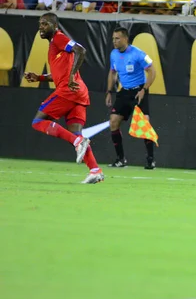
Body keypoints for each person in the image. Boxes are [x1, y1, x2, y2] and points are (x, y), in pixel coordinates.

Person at [24, 13, 103, 184]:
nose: (41, 27)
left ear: (54, 25)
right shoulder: (56, 46)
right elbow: (59, 74)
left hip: (68, 90)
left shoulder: (58, 38)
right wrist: (40, 78)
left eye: (45, 24)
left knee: (38, 122)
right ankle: (95, 170)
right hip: (79, 92)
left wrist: (72, 75)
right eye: (40, 24)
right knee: (76, 132)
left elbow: (81, 50)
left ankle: (77, 142)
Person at [106, 27, 157, 169]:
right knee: (113, 121)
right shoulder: (113, 54)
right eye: (113, 39)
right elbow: (112, 72)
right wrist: (109, 91)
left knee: (144, 124)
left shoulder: (138, 54)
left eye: (117, 38)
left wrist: (144, 90)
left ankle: (150, 159)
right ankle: (121, 159)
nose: (114, 41)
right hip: (124, 92)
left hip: (139, 91)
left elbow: (152, 71)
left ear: (125, 39)